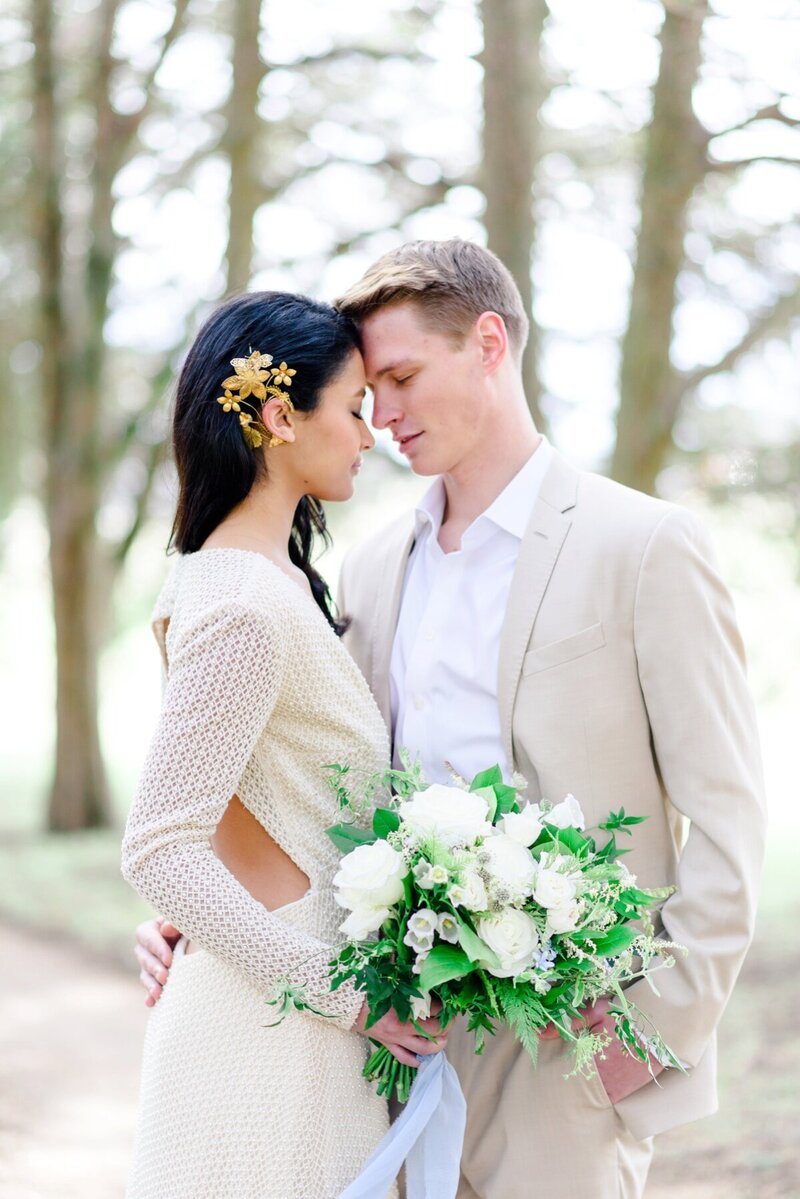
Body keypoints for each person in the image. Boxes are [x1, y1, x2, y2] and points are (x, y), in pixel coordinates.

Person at [136, 242, 767, 1199]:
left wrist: (646, 1041)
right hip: (381, 1050)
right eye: (365, 394)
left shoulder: (644, 548)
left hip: (565, 1063)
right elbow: (295, 773)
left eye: (398, 379)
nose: (382, 416)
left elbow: (729, 821)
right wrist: (200, 910)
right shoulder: (371, 567)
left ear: (486, 344)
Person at [121, 290, 447, 1199]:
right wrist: (348, 998)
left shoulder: (267, 583)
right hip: (275, 1042)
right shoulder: (243, 606)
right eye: (350, 408)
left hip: (291, 1013)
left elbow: (244, 805)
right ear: (276, 416)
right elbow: (158, 843)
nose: (369, 432)